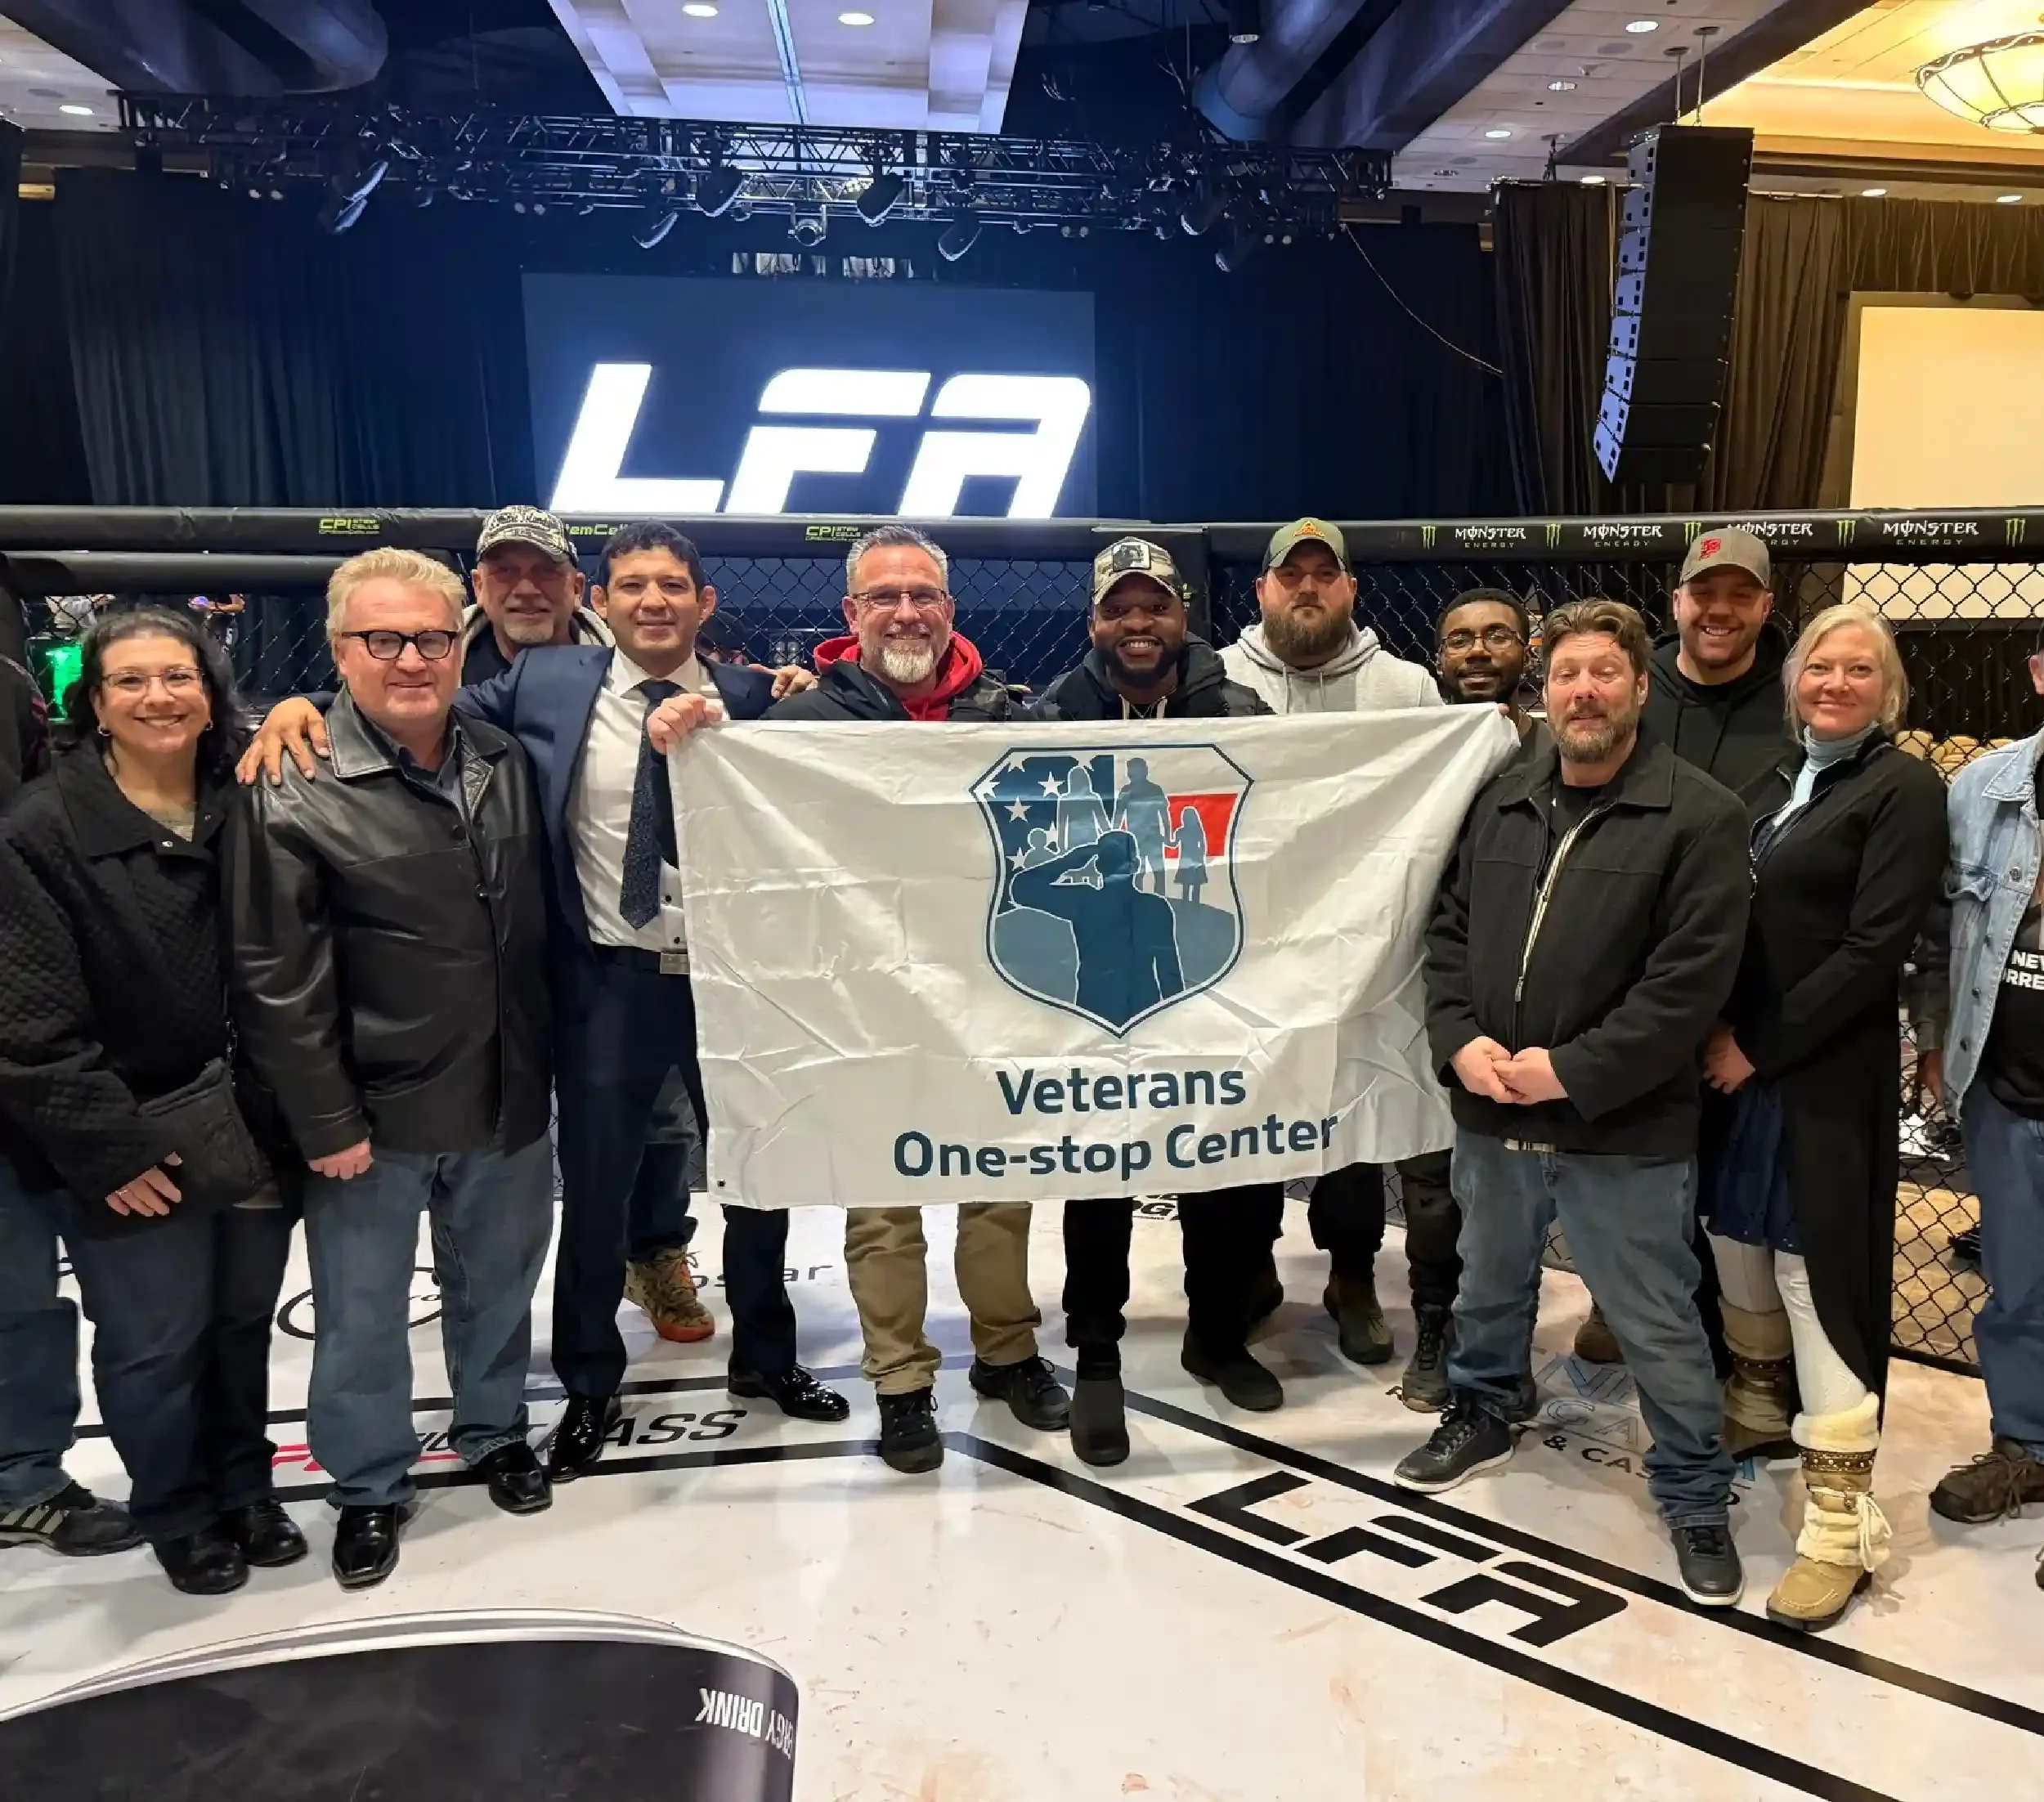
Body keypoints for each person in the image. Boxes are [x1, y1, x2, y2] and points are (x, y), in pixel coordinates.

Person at [240, 525, 846, 1483]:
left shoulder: (750, 695)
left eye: (673, 585)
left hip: (737, 981)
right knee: (595, 1190)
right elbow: (403, 697)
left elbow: (848, 753)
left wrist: (794, 700)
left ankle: (768, 1354)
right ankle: (590, 1379)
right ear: (599, 600)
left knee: (759, 1177)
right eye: (633, 584)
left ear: (705, 604)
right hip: (605, 976)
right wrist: (295, 705)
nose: (653, 600)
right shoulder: (546, 684)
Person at [664, 524, 1060, 1476]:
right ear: (850, 614)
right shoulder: (798, 730)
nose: (905, 611)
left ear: (950, 609)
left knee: (998, 1188)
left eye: (921, 594)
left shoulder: (1013, 713)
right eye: (883, 596)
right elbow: (727, 836)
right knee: (880, 1202)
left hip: (987, 993)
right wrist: (689, 741)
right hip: (862, 1004)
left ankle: (1007, 1351)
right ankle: (901, 1378)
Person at [1403, 598, 1752, 1609]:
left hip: (1622, 1122)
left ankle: (1692, 1485)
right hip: (1491, 1103)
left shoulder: (1700, 815)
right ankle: (1482, 1403)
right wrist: (1456, 1039)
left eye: (1604, 672)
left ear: (1641, 687)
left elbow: (1687, 986)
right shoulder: (1502, 796)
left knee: (1654, 1313)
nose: (1583, 690)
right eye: (1564, 674)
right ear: (1541, 690)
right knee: (1488, 1279)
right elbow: (1448, 934)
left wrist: (1570, 1069)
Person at [227, 549, 556, 1589]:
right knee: (362, 1313)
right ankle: (368, 1484)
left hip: (505, 1091)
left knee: (498, 1285)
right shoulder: (289, 780)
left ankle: (495, 1427)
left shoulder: (504, 755)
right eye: (384, 639)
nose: (412, 659)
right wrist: (325, 1121)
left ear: (461, 646)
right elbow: (275, 979)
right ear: (337, 652)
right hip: (369, 1110)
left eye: (432, 637)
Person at [0, 609, 302, 1595]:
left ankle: (247, 1485)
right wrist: (109, 1150)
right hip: (131, 1144)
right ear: (91, 701)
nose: (158, 696)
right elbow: (30, 1027)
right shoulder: (40, 829)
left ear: (211, 692)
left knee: (240, 1321)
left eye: (178, 675)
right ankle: (177, 1506)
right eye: (129, 681)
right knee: (152, 1340)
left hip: (252, 1122)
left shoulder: (251, 796)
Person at [1697, 606, 1946, 1631]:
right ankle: (1757, 1410)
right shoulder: (1774, 778)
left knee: (1815, 1271)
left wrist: (1758, 1043)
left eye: (1858, 668)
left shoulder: (1902, 787)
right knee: (1731, 1237)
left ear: (1885, 688)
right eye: (1819, 666)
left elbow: (1872, 946)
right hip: (1731, 1061)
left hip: (1818, 1070)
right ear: (1794, 680)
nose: (1834, 682)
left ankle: (1838, 1527)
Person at [1031, 537, 1281, 1453]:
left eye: (1155, 606)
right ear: (1094, 620)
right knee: (1094, 1172)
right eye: (1119, 608)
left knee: (1229, 1170)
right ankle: (1096, 1352)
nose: (1138, 624)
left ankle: (1216, 1335)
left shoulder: (1243, 709)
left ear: (1184, 615)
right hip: (1092, 984)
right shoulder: (1053, 714)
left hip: (1210, 969)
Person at [1220, 520, 1441, 1382]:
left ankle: (1353, 1276)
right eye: (1290, 575)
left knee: (1351, 1114)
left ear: (1351, 589)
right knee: (1240, 1112)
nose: (1307, 588)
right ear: (1262, 591)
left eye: (1325, 574)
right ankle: (1247, 1269)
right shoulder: (1219, 678)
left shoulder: (1405, 688)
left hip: (1362, 943)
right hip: (1246, 947)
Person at [1917, 622, 2044, 1566]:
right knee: (2018, 1284)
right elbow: (1937, 931)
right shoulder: (1984, 786)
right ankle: (2026, 1446)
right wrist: (1930, 1045)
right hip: (2008, 1084)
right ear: (2038, 670)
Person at [1642, 527, 1794, 800]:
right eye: (1703, 593)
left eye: (1741, 596)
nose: (1720, 610)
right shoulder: (1634, 687)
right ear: (1677, 603)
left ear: (1766, 607)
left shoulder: (1797, 699)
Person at [459, 504, 613, 684]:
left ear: (577, 589)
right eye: (505, 571)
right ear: (479, 587)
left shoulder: (627, 672)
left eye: (547, 571)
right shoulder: (434, 670)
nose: (526, 590)